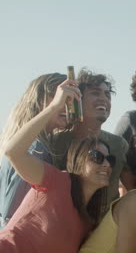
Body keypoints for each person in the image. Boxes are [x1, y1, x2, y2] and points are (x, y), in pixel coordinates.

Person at [0, 79, 113, 252]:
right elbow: (13, 152)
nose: (106, 164)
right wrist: (54, 105)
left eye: (110, 159)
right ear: (78, 161)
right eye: (97, 157)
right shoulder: (56, 180)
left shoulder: (87, 220)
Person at [50, 69, 130, 206]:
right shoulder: (55, 142)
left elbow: (133, 188)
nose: (104, 99)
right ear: (77, 99)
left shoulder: (119, 145)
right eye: (95, 93)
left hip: (105, 223)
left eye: (107, 95)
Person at [0, 73, 68, 229]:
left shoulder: (35, 143)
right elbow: (11, 212)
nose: (67, 105)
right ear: (40, 100)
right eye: (62, 98)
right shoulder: (35, 148)